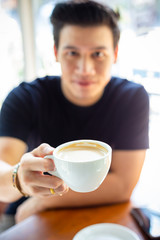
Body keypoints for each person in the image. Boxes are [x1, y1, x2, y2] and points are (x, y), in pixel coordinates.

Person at [0, 0, 149, 225]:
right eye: (72, 53)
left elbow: (123, 187)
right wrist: (18, 178)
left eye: (98, 54)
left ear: (115, 53)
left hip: (92, 210)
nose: (85, 69)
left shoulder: (131, 97)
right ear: (56, 52)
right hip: (28, 216)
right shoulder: (26, 97)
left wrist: (46, 201)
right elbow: (3, 164)